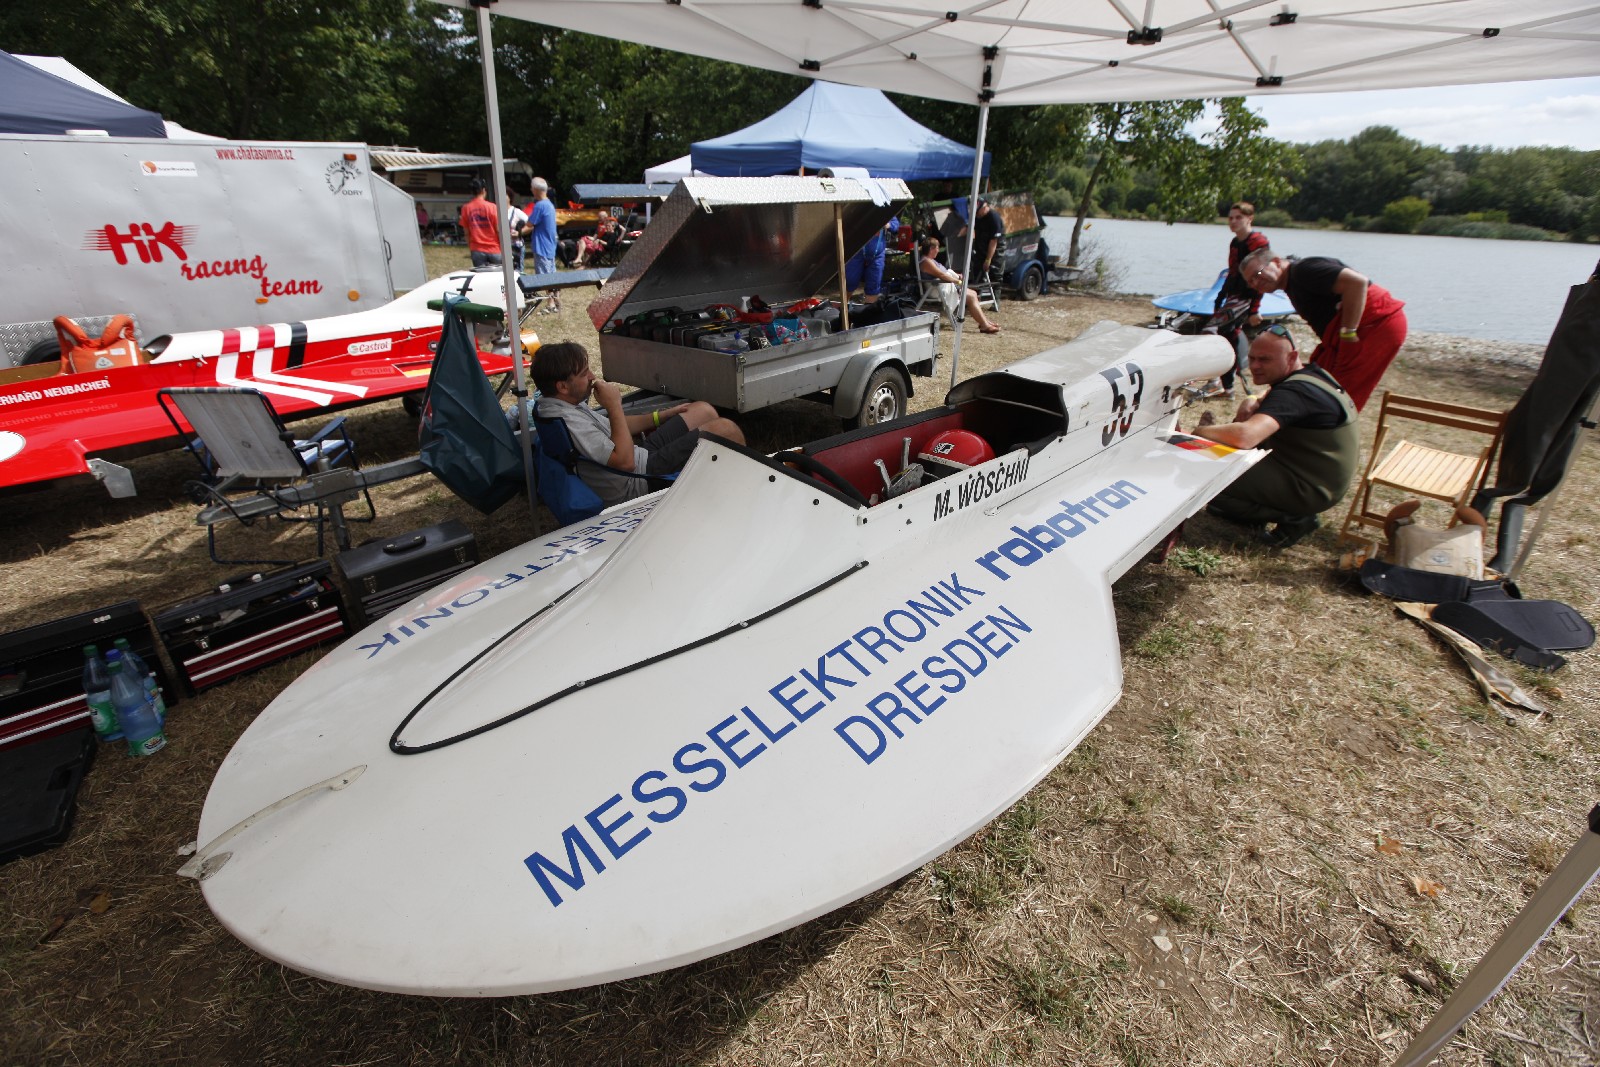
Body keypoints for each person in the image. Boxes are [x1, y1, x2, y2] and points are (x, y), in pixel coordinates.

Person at [1191, 325, 1360, 547]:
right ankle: (1259, 509)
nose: (1255, 366)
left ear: (1292, 357)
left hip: (1311, 488)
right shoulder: (1311, 375)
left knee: (1208, 477)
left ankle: (1294, 518)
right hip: (1319, 478)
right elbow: (1273, 395)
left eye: (1264, 360)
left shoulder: (1293, 394)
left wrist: (1200, 432)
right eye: (1252, 359)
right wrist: (1252, 399)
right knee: (1219, 500)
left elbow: (1245, 436)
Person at [532, 341, 745, 506]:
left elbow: (617, 427)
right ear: (563, 387)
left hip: (639, 457)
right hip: (638, 480)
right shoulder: (568, 421)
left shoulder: (564, 403)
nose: (592, 376)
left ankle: (719, 482)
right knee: (727, 430)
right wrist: (614, 405)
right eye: (583, 373)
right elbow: (626, 463)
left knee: (702, 410)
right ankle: (743, 492)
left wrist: (661, 416)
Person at [1240, 246, 1407, 412]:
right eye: (1250, 282)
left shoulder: (1303, 270)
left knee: (1337, 393)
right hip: (1340, 336)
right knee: (1315, 379)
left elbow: (1358, 282)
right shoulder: (1293, 281)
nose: (1255, 283)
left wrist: (1348, 331)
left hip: (1374, 326)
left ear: (1276, 262)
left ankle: (1324, 425)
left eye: (1258, 274)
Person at [1210, 201, 1270, 394]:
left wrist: (1254, 309)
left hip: (1247, 297)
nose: (1233, 221)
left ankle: (1218, 380)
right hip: (1234, 295)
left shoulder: (1258, 242)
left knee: (1213, 330)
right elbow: (1233, 272)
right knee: (1227, 335)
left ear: (1249, 218)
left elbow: (1262, 276)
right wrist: (1220, 297)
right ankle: (1226, 386)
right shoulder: (1235, 243)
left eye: (1238, 217)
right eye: (1230, 218)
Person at [919, 235, 1000, 334]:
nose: (938, 250)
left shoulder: (931, 260)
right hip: (936, 289)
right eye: (937, 248)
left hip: (942, 286)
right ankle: (984, 325)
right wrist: (958, 281)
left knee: (973, 293)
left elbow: (944, 273)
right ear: (931, 249)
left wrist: (957, 276)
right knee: (971, 297)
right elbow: (941, 275)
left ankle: (985, 322)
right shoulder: (926, 262)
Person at [844, 218, 898, 304]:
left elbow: (895, 224)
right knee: (850, 281)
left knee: (874, 284)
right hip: (856, 252)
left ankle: (869, 309)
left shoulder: (884, 210)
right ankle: (843, 307)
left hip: (877, 254)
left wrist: (888, 225)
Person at [527, 177, 560, 310]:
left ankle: (550, 303)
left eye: (531, 188)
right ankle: (556, 301)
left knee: (544, 277)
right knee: (551, 274)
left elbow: (530, 224)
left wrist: (517, 233)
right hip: (550, 245)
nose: (531, 190)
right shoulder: (550, 204)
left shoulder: (540, 205)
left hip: (541, 246)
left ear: (535, 189)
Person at [458, 179, 501, 268]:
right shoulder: (493, 207)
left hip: (476, 249)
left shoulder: (466, 208)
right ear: (484, 190)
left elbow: (466, 232)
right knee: (497, 275)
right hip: (494, 248)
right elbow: (498, 230)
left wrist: (471, 246)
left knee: (481, 275)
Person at [506, 194, 530, 273]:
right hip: (501, 247)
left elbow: (530, 224)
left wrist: (519, 233)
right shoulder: (496, 211)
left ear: (510, 198)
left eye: (505, 195)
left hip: (516, 246)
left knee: (517, 272)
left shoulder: (516, 211)